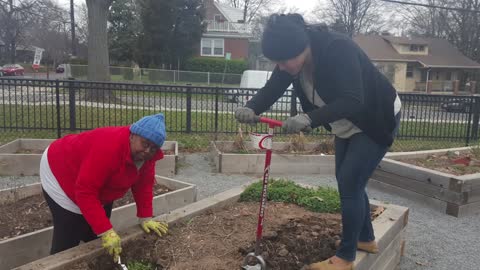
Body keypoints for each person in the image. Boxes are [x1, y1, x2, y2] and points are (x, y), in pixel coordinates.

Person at [235, 14, 401, 270]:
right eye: (276, 62)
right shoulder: (293, 61)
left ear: (301, 48)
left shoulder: (337, 49)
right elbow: (272, 88)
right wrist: (250, 107)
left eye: (283, 60)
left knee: (350, 181)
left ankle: (346, 258)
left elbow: (353, 100)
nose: (280, 66)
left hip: (376, 117)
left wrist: (308, 118)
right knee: (348, 180)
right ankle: (366, 239)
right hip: (346, 123)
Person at [40, 113, 169, 262]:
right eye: (145, 144)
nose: (147, 151)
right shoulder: (109, 147)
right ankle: (59, 262)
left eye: (153, 148)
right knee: (70, 232)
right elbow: (85, 191)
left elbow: (144, 186)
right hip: (60, 167)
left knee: (96, 230)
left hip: (94, 177)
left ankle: (98, 258)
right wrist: (105, 230)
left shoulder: (147, 157)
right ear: (132, 135)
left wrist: (145, 217)